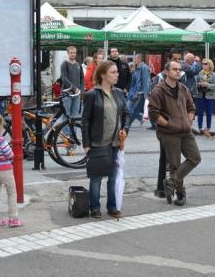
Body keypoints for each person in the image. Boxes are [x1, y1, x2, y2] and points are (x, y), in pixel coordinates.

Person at [149, 61, 201, 206]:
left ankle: (170, 182)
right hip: (169, 133)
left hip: (185, 130)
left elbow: (191, 107)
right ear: (166, 71)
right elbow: (153, 113)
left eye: (179, 69)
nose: (178, 72)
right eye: (174, 69)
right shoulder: (158, 90)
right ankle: (180, 194)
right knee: (174, 164)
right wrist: (169, 124)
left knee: (195, 158)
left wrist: (189, 122)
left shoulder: (183, 88)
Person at [82, 61, 130, 218]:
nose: (117, 75)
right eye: (113, 72)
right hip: (97, 142)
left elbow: (126, 114)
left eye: (117, 72)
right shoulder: (92, 95)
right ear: (103, 75)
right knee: (96, 177)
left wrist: (125, 129)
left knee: (113, 176)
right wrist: (86, 144)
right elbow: (85, 121)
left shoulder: (119, 93)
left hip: (115, 142)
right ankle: (94, 207)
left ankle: (112, 207)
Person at [195, 58, 215, 138]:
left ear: (210, 65)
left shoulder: (214, 75)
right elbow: (195, 83)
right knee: (200, 112)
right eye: (203, 63)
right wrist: (199, 84)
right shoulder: (199, 73)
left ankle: (208, 128)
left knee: (209, 113)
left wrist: (207, 85)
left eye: (206, 64)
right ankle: (200, 128)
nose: (204, 65)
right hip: (200, 95)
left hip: (210, 96)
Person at [60, 46, 84, 118]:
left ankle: (74, 130)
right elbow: (64, 78)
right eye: (71, 53)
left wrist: (81, 89)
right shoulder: (64, 64)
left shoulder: (78, 64)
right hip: (67, 94)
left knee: (75, 116)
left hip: (77, 94)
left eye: (74, 53)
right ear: (68, 53)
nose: (73, 54)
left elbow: (82, 78)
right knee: (66, 116)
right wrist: (74, 89)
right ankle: (65, 130)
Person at [128, 54, 151, 127]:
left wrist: (145, 93)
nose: (134, 60)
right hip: (141, 92)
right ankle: (154, 124)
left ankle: (127, 124)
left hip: (142, 92)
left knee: (136, 109)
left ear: (139, 59)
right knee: (142, 109)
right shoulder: (139, 68)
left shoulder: (143, 67)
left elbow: (145, 81)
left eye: (135, 58)